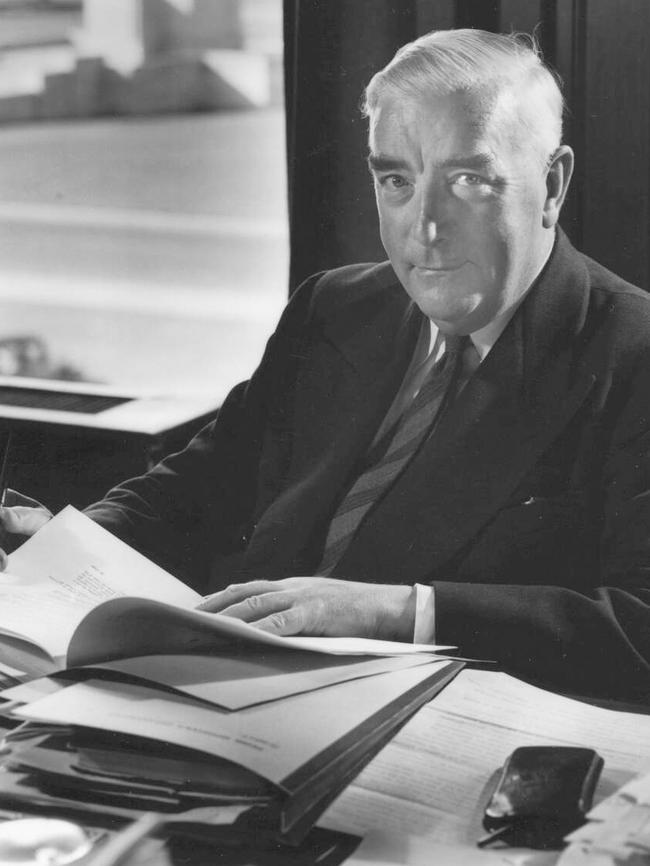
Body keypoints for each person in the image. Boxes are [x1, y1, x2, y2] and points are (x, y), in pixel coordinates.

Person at [1, 29, 649, 702]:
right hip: (225, 698)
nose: (423, 226)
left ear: (551, 183)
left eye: (466, 180)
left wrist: (400, 612)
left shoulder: (635, 356)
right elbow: (201, 485)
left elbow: (643, 630)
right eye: (396, 179)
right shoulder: (336, 306)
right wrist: (62, 547)